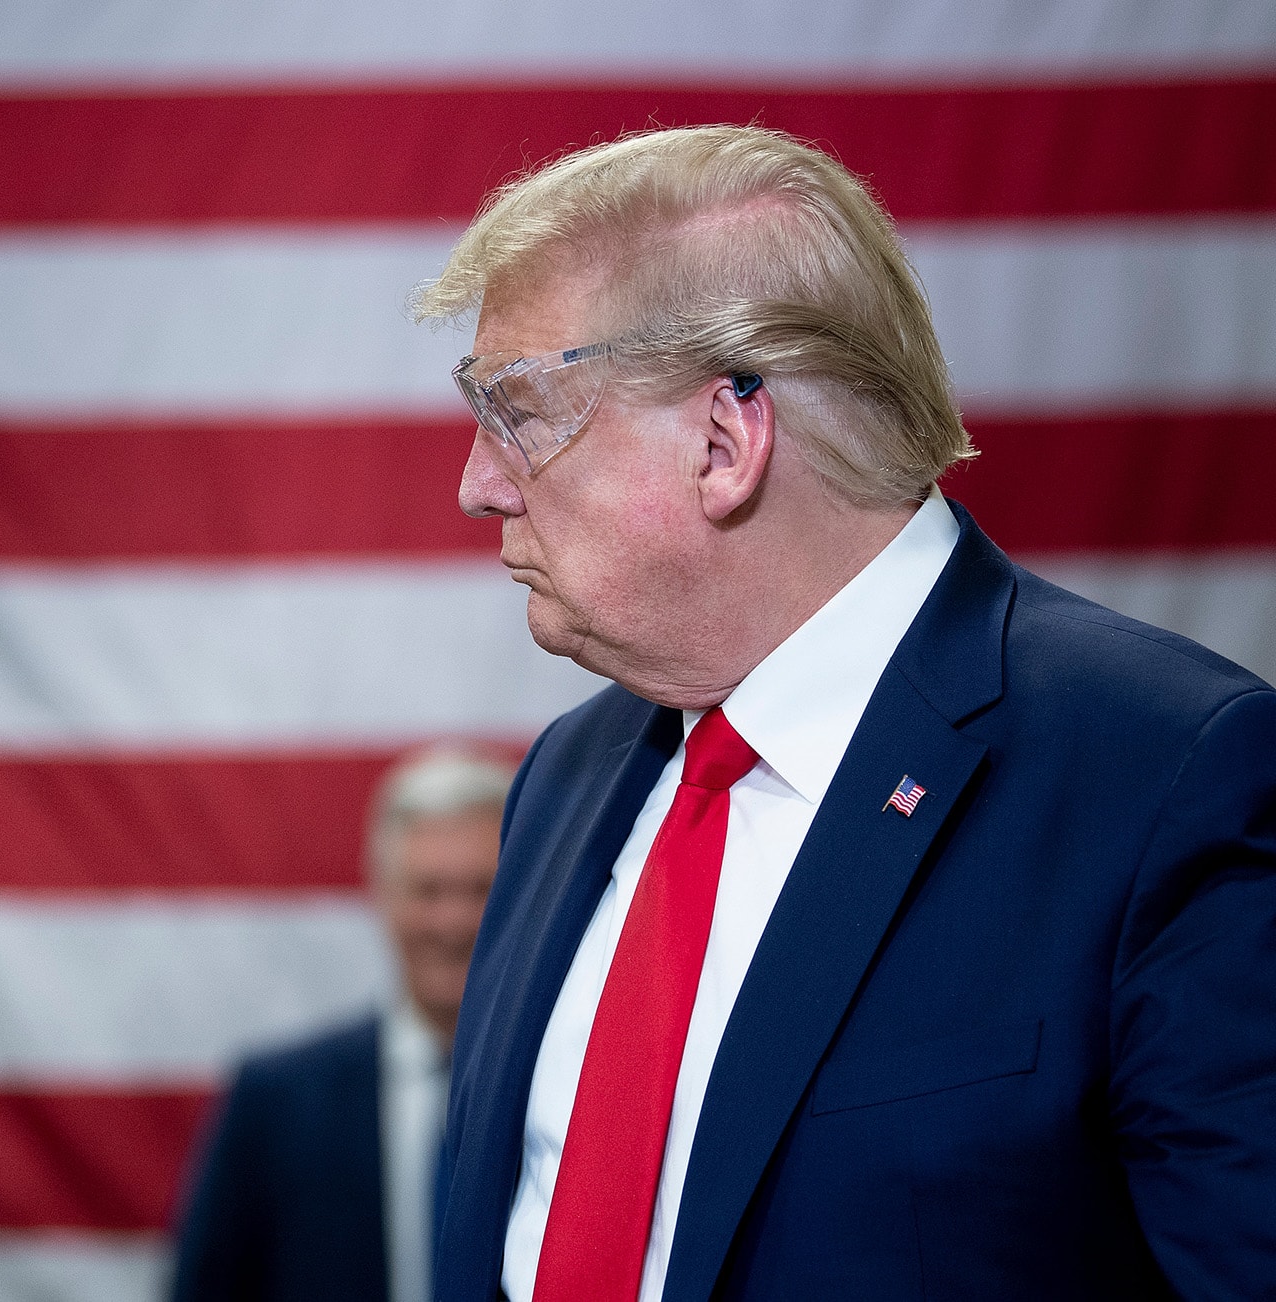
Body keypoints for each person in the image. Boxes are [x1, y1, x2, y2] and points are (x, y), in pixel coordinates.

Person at [413, 125, 1276, 1300]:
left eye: (516, 408)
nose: (477, 483)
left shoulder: (1168, 778)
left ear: (725, 441)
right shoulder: (564, 779)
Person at [172, 745, 514, 1302]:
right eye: (428, 891)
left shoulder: (579, 1090)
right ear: (380, 894)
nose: (454, 920)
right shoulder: (275, 1102)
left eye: (480, 889)